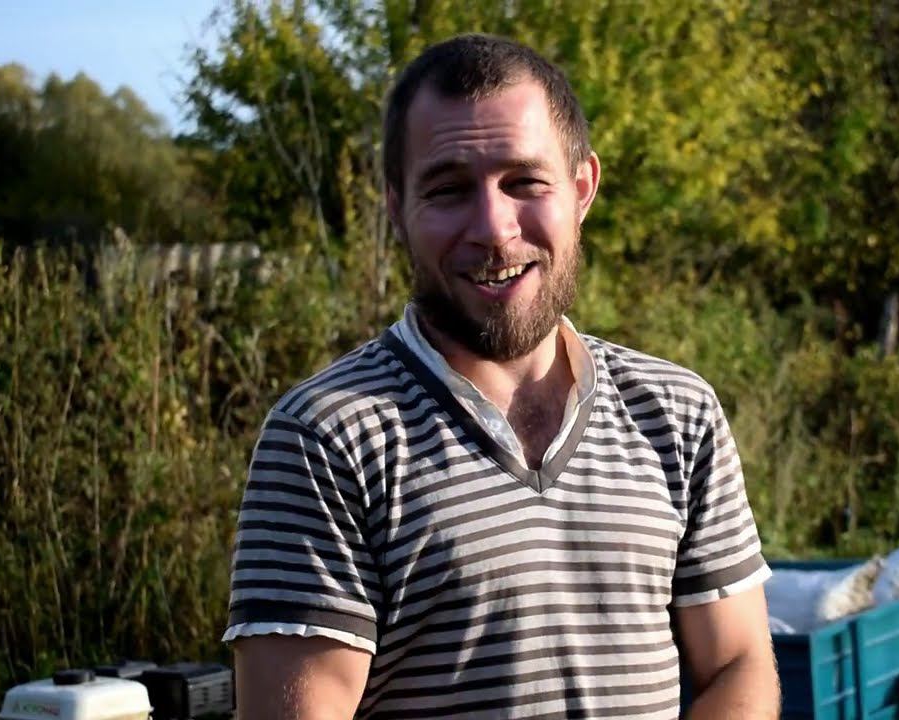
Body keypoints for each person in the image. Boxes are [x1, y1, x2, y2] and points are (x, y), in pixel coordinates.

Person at [224, 33, 780, 720]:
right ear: (396, 207)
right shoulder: (327, 439)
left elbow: (737, 664)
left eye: (524, 182)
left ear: (582, 188)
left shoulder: (677, 411)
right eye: (448, 189)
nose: (493, 227)